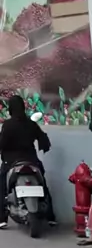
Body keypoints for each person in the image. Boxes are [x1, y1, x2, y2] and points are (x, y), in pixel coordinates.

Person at [0, 95, 56, 228]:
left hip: (11, 162)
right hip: (31, 160)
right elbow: (43, 139)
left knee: (2, 187)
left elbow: (2, 143)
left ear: (11, 109)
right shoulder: (31, 124)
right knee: (43, 185)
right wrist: (44, 147)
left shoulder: (8, 125)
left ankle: (2, 219)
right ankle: (50, 217)